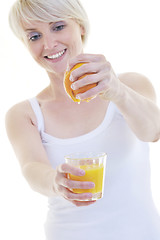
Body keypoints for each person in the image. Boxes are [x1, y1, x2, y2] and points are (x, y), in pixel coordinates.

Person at [5, 0, 160, 239]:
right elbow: (31, 168)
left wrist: (118, 91)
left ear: (81, 26)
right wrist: (55, 183)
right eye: (34, 36)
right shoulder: (24, 114)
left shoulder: (131, 85)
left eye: (58, 27)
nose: (48, 44)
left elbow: (153, 132)